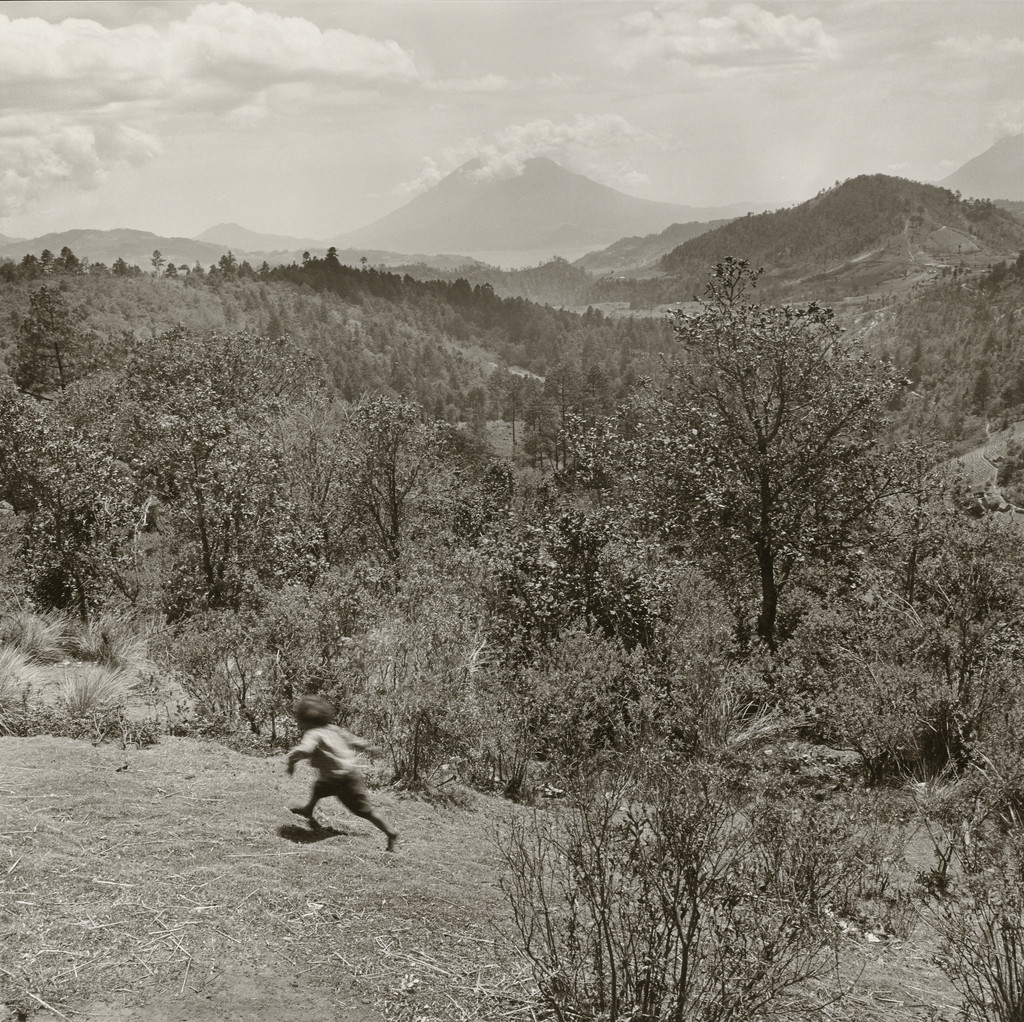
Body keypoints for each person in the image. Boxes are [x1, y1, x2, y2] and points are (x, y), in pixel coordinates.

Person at [286, 695, 399, 852]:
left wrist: (291, 759)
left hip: (340, 780)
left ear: (305, 720)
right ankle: (308, 809)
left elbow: (306, 750)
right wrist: (369, 747)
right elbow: (354, 740)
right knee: (319, 787)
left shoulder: (313, 733)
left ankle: (390, 832)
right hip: (346, 775)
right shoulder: (334, 729)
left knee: (364, 811)